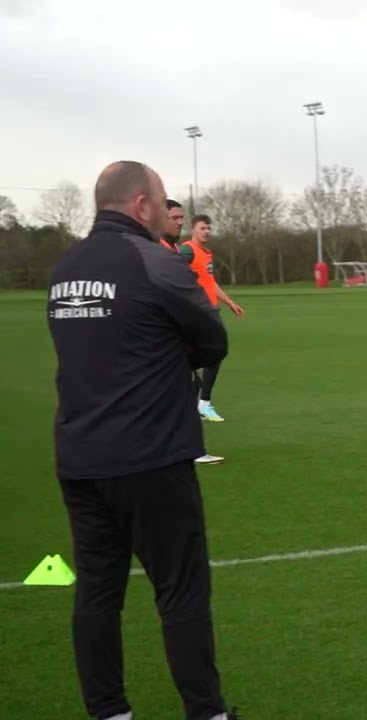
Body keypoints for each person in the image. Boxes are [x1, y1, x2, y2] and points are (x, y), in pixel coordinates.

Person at [46, 161, 236, 720]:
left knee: (98, 590)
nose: (164, 213)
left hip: (80, 457)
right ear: (140, 206)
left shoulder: (64, 268)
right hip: (150, 456)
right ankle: (206, 712)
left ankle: (108, 711)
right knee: (180, 589)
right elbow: (211, 342)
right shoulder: (155, 261)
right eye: (159, 202)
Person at [163, 201, 224, 464]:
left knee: (191, 384)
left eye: (180, 217)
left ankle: (183, 446)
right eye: (173, 217)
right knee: (188, 385)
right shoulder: (178, 251)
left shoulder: (176, 248)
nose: (178, 221)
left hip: (188, 321)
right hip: (171, 329)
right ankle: (189, 447)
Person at [178, 214, 243, 421]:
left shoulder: (206, 253)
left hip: (211, 310)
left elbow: (210, 282)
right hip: (197, 312)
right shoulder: (187, 250)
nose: (206, 232)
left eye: (208, 228)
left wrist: (229, 302)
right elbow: (173, 271)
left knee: (216, 353)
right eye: (202, 228)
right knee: (211, 352)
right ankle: (199, 400)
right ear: (193, 230)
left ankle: (203, 403)